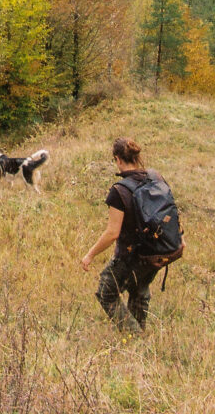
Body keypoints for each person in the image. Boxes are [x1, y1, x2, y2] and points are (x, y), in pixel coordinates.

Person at [80, 136, 160, 333]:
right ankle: (138, 345)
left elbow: (112, 232)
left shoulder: (120, 191)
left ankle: (135, 336)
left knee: (106, 294)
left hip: (130, 256)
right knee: (139, 291)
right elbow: (171, 212)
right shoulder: (155, 178)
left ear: (117, 159)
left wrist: (90, 255)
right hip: (155, 252)